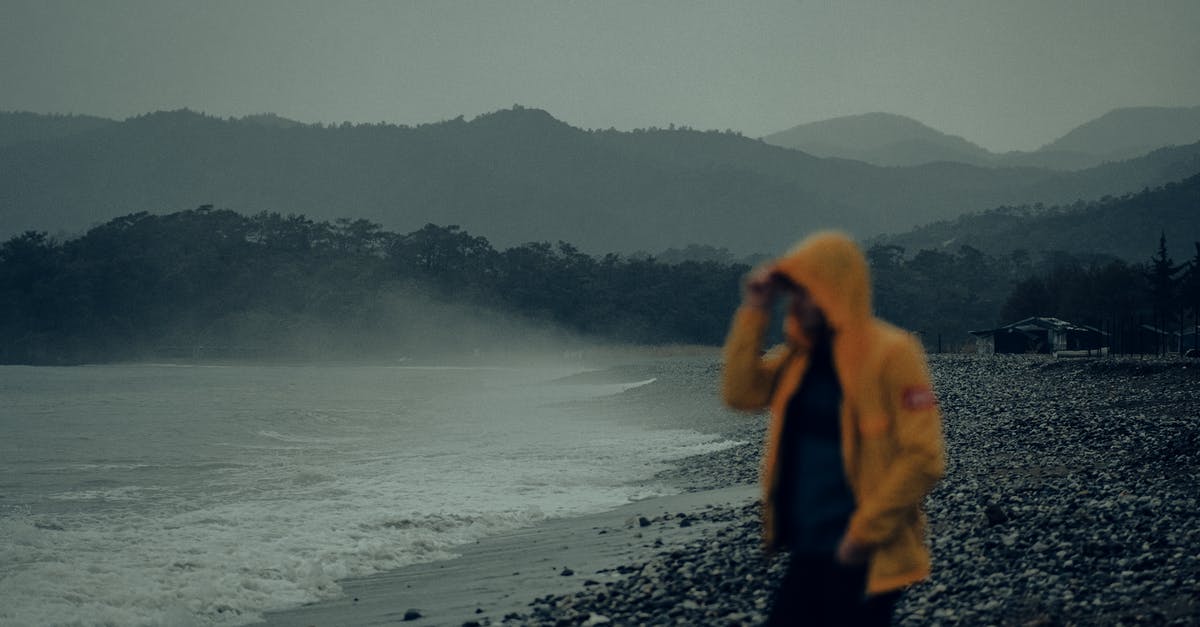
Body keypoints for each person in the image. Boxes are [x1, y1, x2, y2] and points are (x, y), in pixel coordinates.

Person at [721, 231, 945, 625]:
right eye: (794, 294)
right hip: (809, 548)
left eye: (806, 292)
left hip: (864, 554)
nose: (798, 303)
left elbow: (924, 458)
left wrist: (862, 536)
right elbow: (740, 394)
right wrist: (755, 310)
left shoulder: (892, 353)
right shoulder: (798, 359)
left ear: (835, 290)